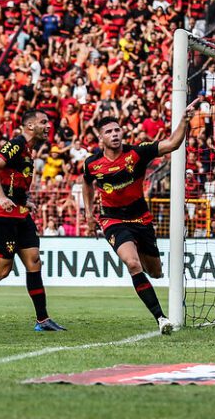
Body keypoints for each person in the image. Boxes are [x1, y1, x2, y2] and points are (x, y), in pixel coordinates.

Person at [82, 99, 200, 335]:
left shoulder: (137, 152)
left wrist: (185, 120)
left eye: (117, 130)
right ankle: (161, 318)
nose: (115, 134)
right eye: (109, 132)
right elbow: (86, 183)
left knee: (155, 272)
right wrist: (88, 212)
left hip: (141, 219)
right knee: (132, 263)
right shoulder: (92, 163)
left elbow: (173, 143)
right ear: (101, 138)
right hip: (113, 220)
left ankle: (145, 276)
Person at [0, 110, 65, 332]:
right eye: (43, 122)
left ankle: (43, 319)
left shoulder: (29, 150)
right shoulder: (16, 144)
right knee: (2, 270)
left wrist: (24, 200)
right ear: (30, 126)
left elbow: (14, 180)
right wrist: (2, 197)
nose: (48, 126)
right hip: (2, 215)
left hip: (20, 213)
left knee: (34, 261)